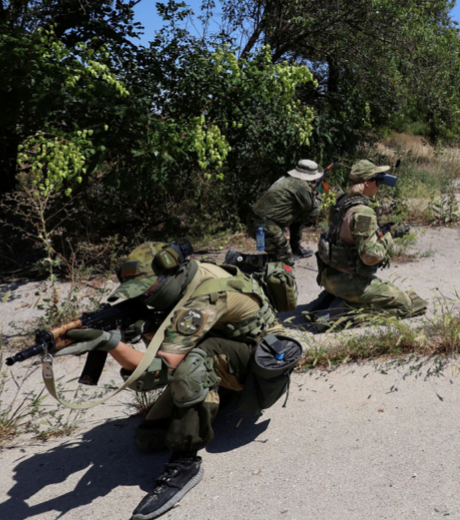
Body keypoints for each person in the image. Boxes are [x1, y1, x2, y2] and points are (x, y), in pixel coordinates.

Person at [55, 242, 300, 520]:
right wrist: (147, 329)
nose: (146, 297)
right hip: (228, 349)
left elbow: (156, 372)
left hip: (258, 370)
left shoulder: (205, 298)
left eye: (148, 289)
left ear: (171, 273)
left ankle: (185, 463)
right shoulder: (191, 275)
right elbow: (170, 333)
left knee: (191, 362)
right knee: (149, 439)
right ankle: (210, 398)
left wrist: (109, 343)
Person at [316, 159, 426, 319]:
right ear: (367, 183)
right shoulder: (363, 212)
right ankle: (344, 314)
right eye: (378, 181)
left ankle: (335, 299)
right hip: (349, 284)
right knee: (406, 305)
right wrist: (390, 236)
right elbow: (370, 257)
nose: (379, 185)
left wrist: (381, 232)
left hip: (329, 277)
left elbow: (346, 238)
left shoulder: (342, 202)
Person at [249, 159, 324, 264]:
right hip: (265, 227)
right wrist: (318, 191)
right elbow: (313, 209)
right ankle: (239, 259)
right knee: (286, 261)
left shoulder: (287, 179)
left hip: (256, 222)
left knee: (301, 215)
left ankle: (294, 247)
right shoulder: (301, 186)